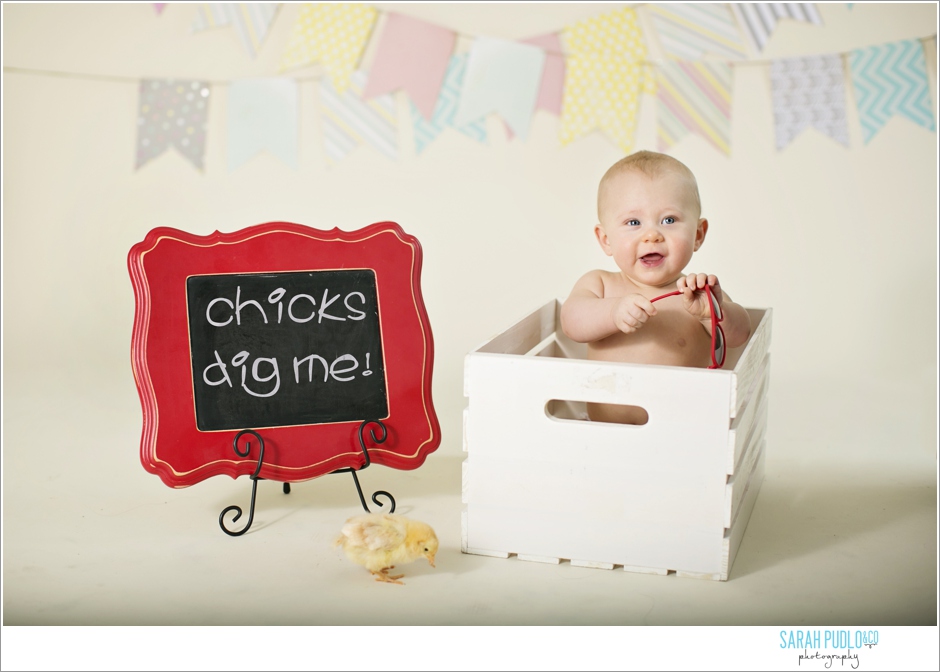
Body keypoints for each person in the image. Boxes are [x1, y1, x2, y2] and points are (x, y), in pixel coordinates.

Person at [560, 150, 752, 425]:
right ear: (606, 240)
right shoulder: (600, 284)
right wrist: (613, 312)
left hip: (681, 430)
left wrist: (711, 313)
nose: (652, 235)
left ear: (698, 235)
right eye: (633, 223)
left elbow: (740, 334)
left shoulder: (696, 292)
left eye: (669, 220)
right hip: (605, 432)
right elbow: (571, 321)